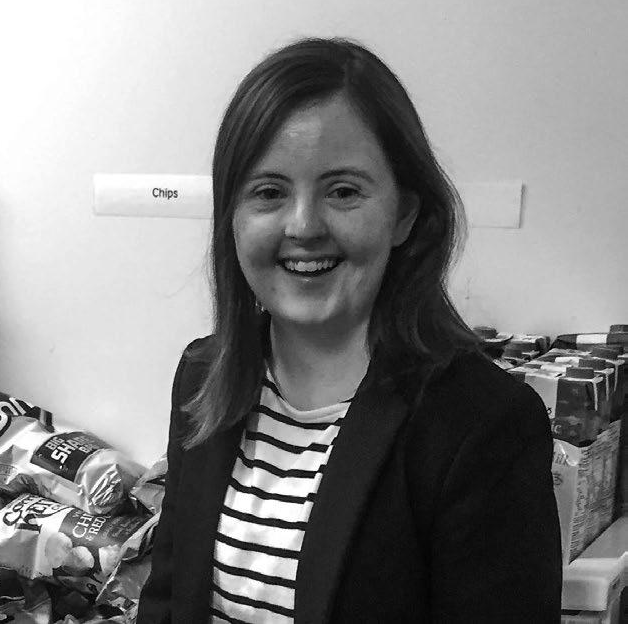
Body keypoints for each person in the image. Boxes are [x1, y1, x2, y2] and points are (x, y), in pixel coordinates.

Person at [137, 37, 560, 623]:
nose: (303, 226)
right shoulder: (203, 377)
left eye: (343, 191)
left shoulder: (482, 425)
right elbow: (166, 598)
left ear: (403, 214)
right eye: (268, 192)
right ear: (231, 214)